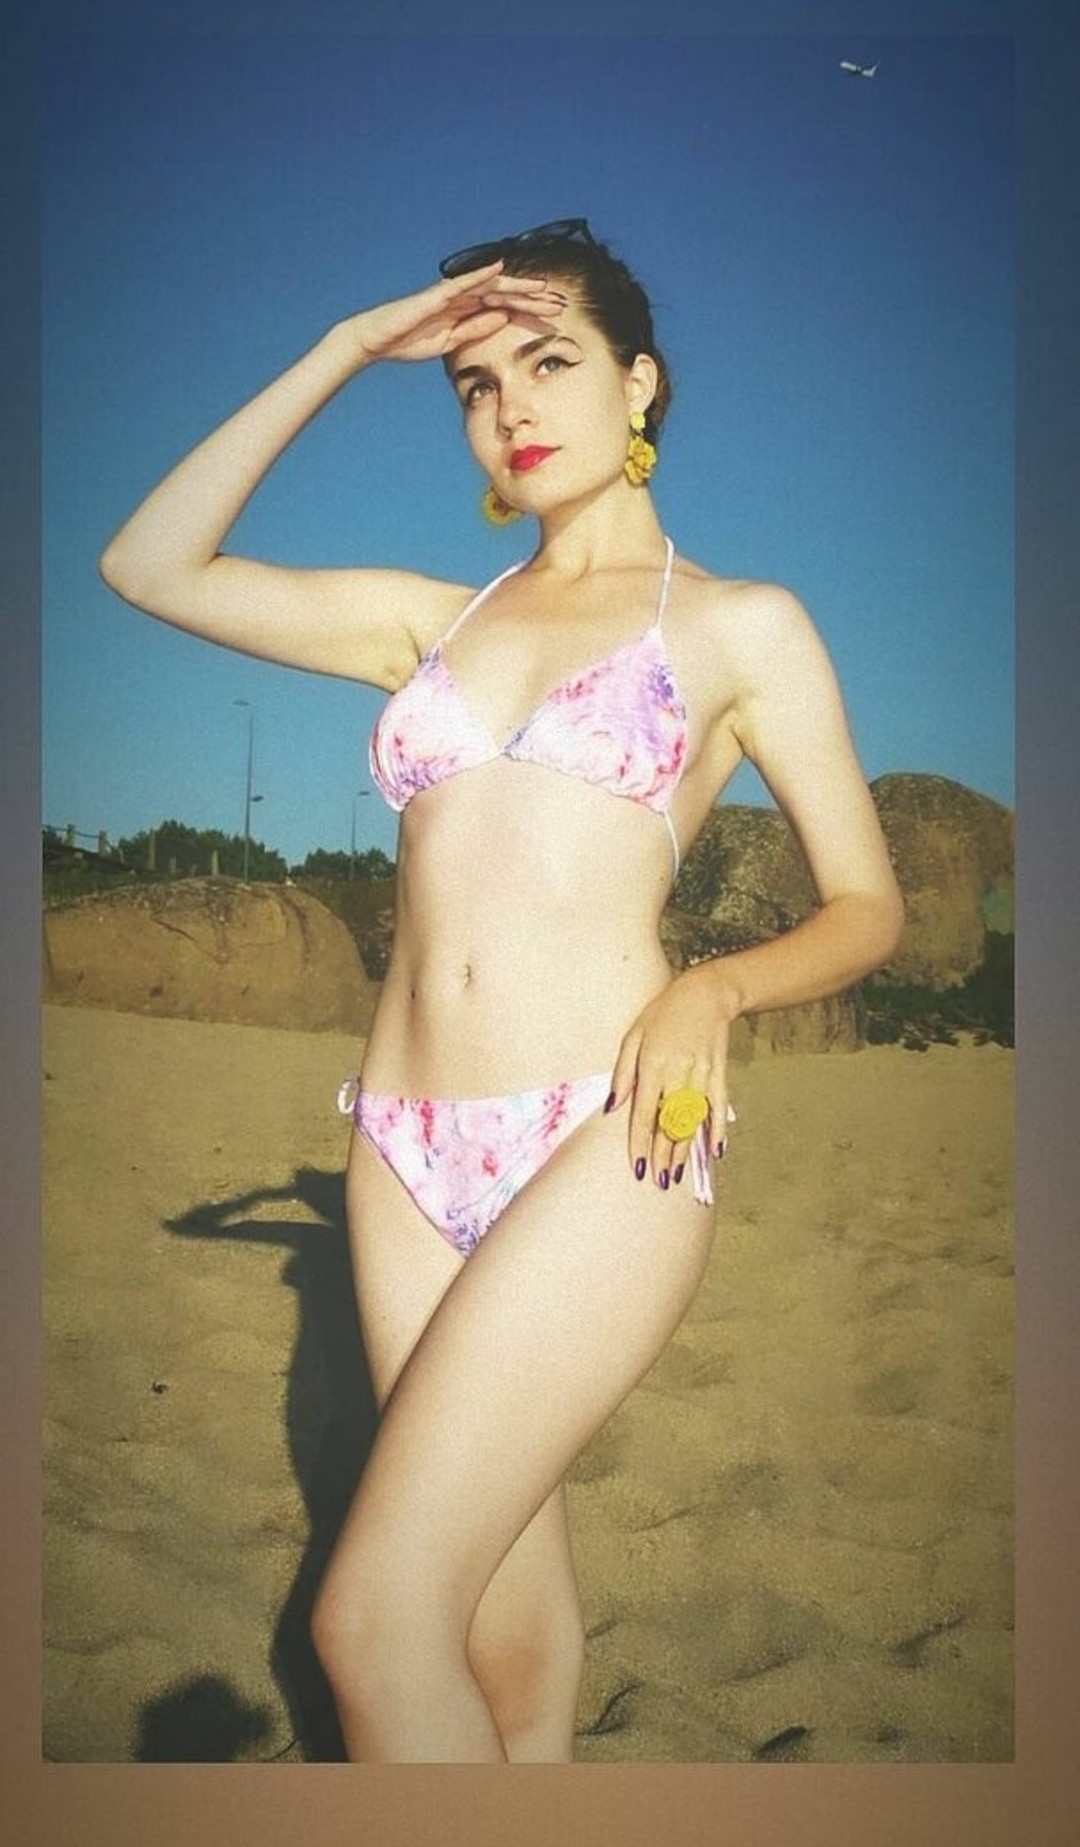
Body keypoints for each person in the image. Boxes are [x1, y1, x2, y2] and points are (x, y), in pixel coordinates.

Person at [99, 219, 904, 1764]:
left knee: (366, 1621)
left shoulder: (739, 626)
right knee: (503, 1636)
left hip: (612, 1128)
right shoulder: (435, 622)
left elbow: (868, 904)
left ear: (639, 383)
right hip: (399, 1150)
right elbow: (148, 563)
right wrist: (349, 344)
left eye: (548, 362)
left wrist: (715, 993)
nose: (510, 407)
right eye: (474, 384)